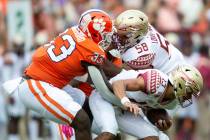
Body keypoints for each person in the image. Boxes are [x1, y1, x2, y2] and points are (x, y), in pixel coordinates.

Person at [2, 9, 120, 140]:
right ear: (94, 32)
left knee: (87, 108)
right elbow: (111, 73)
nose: (108, 38)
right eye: (105, 34)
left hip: (53, 84)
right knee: (82, 120)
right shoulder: (89, 47)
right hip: (37, 85)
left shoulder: (74, 31)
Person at [89, 9, 186, 140]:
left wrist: (91, 52)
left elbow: (115, 74)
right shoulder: (139, 29)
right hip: (168, 74)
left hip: (167, 81)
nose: (116, 37)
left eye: (123, 36)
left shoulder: (141, 55)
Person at [90, 65, 203, 140]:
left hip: (123, 109)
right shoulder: (157, 82)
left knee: (154, 137)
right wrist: (126, 102)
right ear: (180, 83)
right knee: (109, 132)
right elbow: (118, 84)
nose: (188, 96)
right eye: (189, 92)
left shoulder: (172, 102)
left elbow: (149, 108)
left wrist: (162, 121)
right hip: (105, 97)